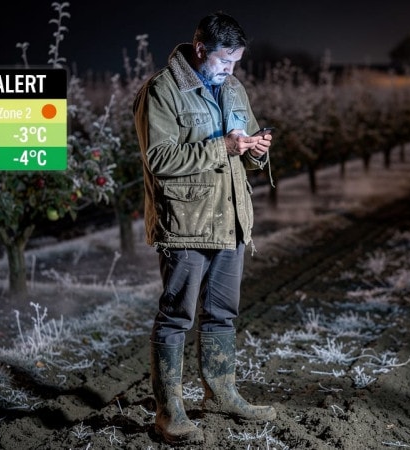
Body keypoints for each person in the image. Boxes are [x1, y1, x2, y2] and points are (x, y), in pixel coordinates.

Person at [132, 11, 276, 445]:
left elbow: (244, 147)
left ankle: (222, 392)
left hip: (230, 222)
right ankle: (168, 410)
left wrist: (256, 149)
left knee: (222, 316)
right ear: (200, 50)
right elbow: (159, 160)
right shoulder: (162, 92)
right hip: (187, 224)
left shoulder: (232, 88)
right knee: (176, 317)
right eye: (225, 61)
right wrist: (224, 147)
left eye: (237, 62)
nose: (232, 70)